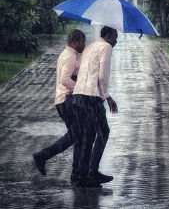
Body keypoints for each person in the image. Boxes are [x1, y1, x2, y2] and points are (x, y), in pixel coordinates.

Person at [33, 29, 86, 182]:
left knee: (78, 135)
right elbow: (64, 79)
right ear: (75, 41)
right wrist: (79, 87)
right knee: (76, 134)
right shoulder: (69, 56)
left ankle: (77, 172)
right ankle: (43, 155)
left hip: (66, 100)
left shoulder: (71, 54)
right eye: (83, 41)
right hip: (66, 100)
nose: (84, 44)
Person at [72, 26, 118, 186]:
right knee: (103, 131)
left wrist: (107, 96)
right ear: (109, 35)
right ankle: (92, 172)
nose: (116, 41)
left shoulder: (90, 46)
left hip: (78, 95)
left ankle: (81, 173)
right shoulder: (106, 47)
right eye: (115, 37)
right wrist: (106, 96)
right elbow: (103, 76)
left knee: (89, 134)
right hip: (91, 96)